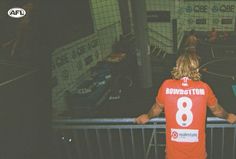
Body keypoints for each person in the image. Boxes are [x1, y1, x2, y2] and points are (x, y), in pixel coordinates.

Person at [136, 51, 236, 159]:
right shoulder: (204, 88)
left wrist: (147, 116)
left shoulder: (166, 85)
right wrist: (228, 116)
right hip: (197, 154)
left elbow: (156, 108)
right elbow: (217, 110)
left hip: (173, 155)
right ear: (196, 68)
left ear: (178, 66)